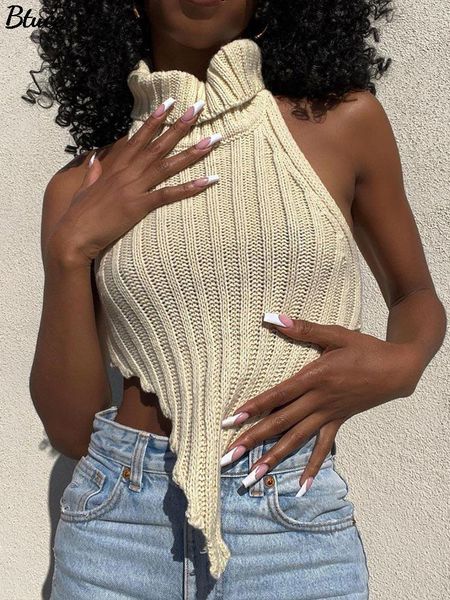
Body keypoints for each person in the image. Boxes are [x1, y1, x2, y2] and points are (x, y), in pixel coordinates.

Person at [28, 1, 446, 598]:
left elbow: (414, 294)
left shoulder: (344, 124)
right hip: (117, 523)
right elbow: (72, 432)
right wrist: (69, 251)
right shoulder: (82, 185)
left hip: (289, 515)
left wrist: (401, 365)